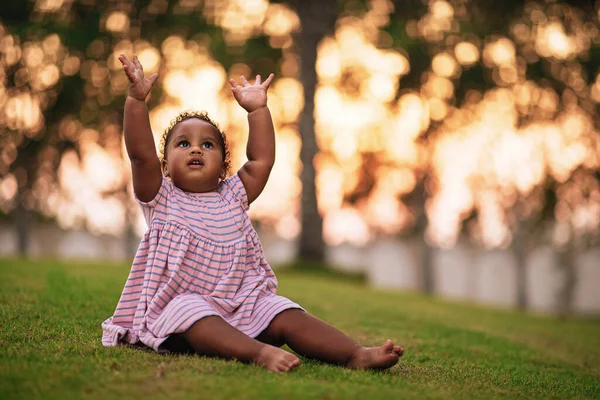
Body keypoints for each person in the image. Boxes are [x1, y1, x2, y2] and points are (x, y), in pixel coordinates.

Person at [102, 54, 404, 373]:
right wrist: (136, 100)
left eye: (207, 145)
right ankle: (259, 353)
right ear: (165, 165)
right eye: (183, 144)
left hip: (241, 306)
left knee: (282, 310)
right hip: (179, 319)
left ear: (223, 165)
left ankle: (355, 355)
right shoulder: (162, 197)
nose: (195, 149)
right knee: (189, 309)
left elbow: (261, 161)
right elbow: (140, 157)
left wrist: (258, 110)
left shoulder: (232, 195)